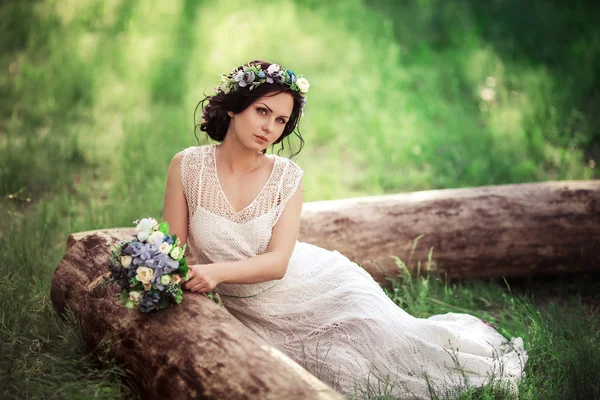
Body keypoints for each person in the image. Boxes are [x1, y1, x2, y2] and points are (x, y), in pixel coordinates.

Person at [162, 60, 527, 399]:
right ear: (233, 106)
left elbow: (277, 263)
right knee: (343, 372)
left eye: (280, 121)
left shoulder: (286, 177)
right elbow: (172, 250)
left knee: (406, 354)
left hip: (324, 289)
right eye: (262, 111)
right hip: (252, 315)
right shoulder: (188, 167)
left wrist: (214, 273)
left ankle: (473, 346)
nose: (269, 128)